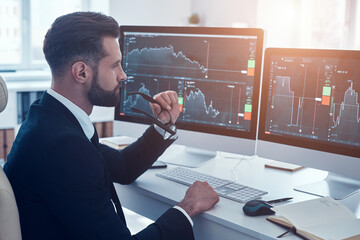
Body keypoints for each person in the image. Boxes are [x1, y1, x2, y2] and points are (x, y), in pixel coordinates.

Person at [4, 12, 219, 240]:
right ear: (81, 72)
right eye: (115, 66)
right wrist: (188, 208)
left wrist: (163, 124)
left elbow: (123, 166)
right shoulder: (63, 147)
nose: (123, 75)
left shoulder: (48, 116)